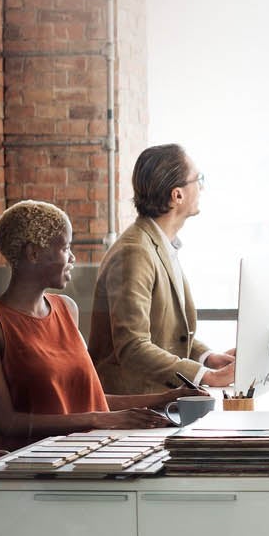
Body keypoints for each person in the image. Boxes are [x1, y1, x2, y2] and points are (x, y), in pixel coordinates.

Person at [0, 201, 196, 450]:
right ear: (34, 253)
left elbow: (91, 400)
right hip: (27, 464)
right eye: (65, 247)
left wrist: (167, 399)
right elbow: (6, 423)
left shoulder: (67, 309)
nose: (72, 257)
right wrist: (101, 420)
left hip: (82, 451)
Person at [89, 145, 237, 393]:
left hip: (159, 399)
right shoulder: (135, 251)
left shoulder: (159, 244)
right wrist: (206, 377)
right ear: (177, 195)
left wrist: (207, 358)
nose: (201, 188)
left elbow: (164, 333)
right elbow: (133, 347)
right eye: (198, 180)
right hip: (135, 405)